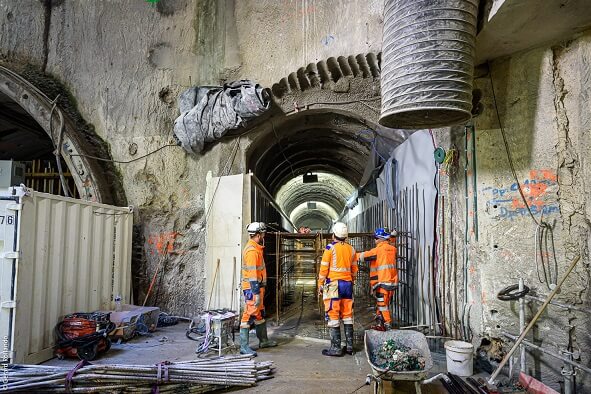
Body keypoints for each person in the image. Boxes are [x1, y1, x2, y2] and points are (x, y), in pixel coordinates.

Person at [318, 222, 358, 356]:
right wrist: (352, 281)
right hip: (347, 284)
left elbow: (324, 268)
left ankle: (336, 348)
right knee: (347, 314)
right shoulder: (352, 249)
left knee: (333, 314)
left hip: (333, 284)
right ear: (346, 236)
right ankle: (350, 346)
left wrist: (320, 284)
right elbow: (354, 269)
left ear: (334, 234)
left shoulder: (330, 248)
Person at [240, 222, 277, 356]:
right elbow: (252, 275)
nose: (264, 235)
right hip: (252, 288)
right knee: (249, 314)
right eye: (263, 234)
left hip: (257, 288)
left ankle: (264, 341)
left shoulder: (256, 248)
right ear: (258, 235)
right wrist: (255, 293)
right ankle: (244, 346)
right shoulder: (251, 251)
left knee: (259, 313)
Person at [356, 227, 398, 330]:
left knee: (382, 304)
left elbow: (363, 256)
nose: (374, 240)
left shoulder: (378, 250)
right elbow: (391, 243)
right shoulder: (392, 249)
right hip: (392, 282)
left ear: (381, 239)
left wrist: (350, 254)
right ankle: (380, 324)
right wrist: (393, 237)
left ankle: (387, 325)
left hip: (382, 283)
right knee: (384, 304)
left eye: (376, 238)